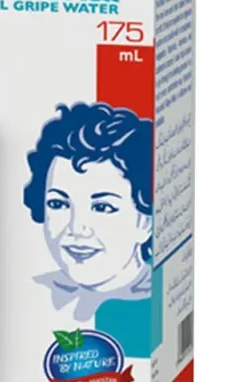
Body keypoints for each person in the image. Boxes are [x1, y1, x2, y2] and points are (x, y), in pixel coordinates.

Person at [23, 102, 153, 322]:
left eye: (102, 207)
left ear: (145, 223)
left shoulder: (154, 305)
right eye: (58, 204)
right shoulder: (28, 293)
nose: (77, 228)